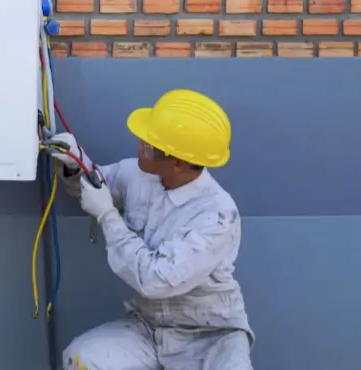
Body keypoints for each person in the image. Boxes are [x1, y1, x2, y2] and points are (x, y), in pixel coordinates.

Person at [46, 89, 254, 370]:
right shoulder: (137, 175)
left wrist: (108, 215)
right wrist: (75, 162)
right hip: (149, 329)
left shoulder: (216, 216)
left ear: (178, 162)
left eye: (151, 143)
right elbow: (94, 184)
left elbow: (156, 280)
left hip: (210, 338)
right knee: (83, 360)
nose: (141, 143)